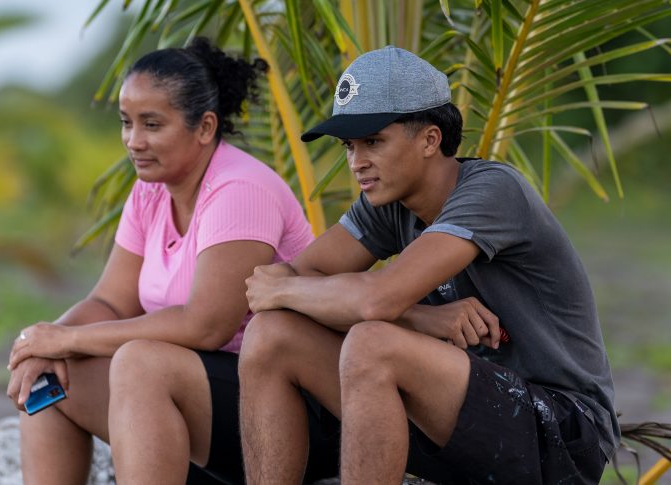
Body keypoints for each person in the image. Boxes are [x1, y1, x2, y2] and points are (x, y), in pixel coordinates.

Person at [240, 46, 620, 484]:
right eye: (349, 145)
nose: (356, 162)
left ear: (429, 139)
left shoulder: (493, 191)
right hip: (455, 417)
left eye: (373, 141)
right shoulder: (387, 204)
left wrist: (286, 290)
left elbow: (358, 296)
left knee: (371, 343)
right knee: (271, 334)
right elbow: (296, 280)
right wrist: (422, 318)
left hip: (559, 432)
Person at [5, 37, 319, 485]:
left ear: (205, 127)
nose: (134, 141)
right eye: (126, 123)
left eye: (152, 124)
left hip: (279, 410)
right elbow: (111, 301)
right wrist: (47, 343)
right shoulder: (150, 191)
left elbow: (204, 326)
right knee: (48, 378)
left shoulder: (240, 191)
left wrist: (68, 339)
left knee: (138, 361)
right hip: (193, 399)